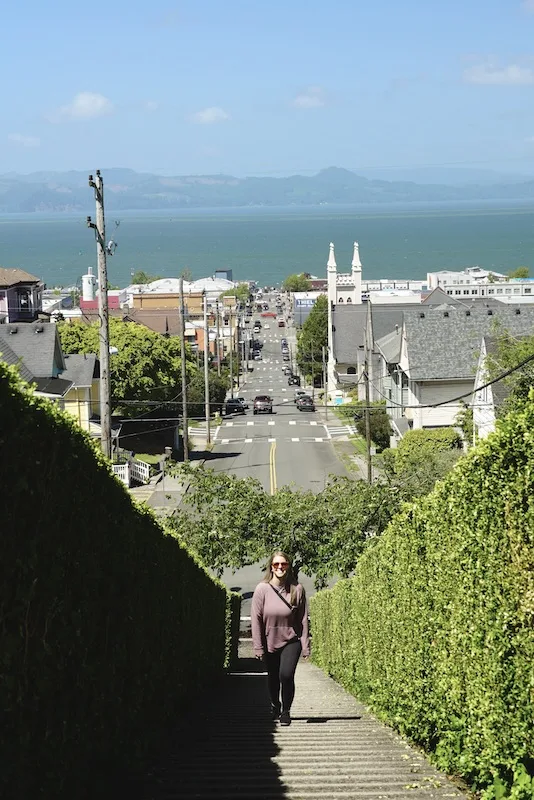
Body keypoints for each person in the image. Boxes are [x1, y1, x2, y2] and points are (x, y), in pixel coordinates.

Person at [251, 551, 310, 726]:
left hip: (291, 640)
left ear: (288, 566)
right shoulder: (262, 589)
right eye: (276, 564)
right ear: (271, 566)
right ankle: (275, 705)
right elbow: (256, 619)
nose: (280, 567)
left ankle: (286, 711)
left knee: (286, 674)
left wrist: (305, 646)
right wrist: (258, 647)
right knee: (273, 677)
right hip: (269, 640)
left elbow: (303, 620)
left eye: (283, 564)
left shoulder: (297, 589)